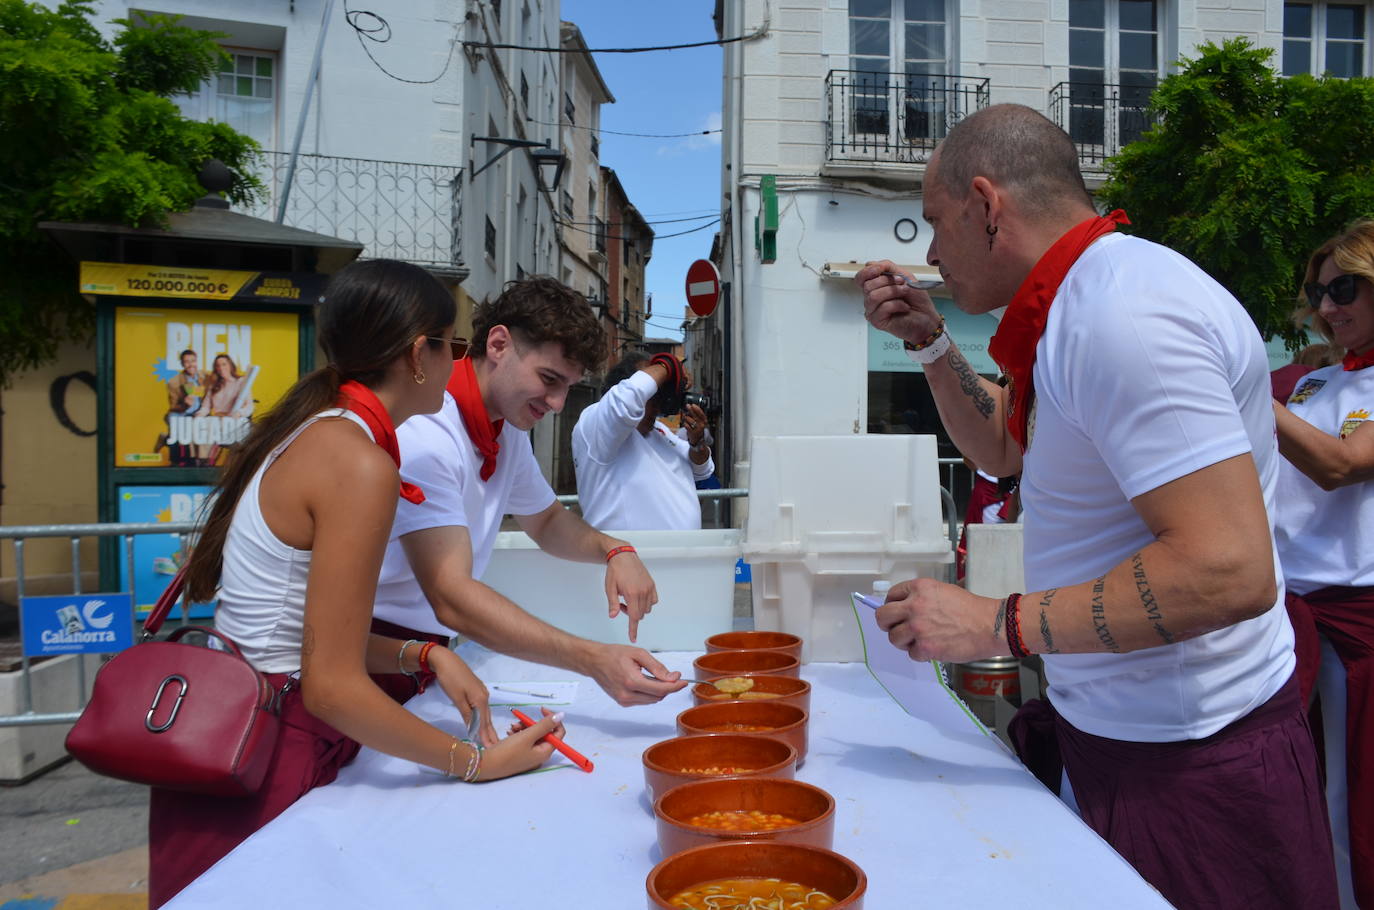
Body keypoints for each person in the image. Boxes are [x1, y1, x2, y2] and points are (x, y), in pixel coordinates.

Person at [855, 103, 1336, 909]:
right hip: (1134, 744)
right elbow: (1004, 451)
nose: (931, 252)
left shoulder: (1125, 317)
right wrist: (932, 344)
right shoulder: (1081, 303)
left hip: (1191, 764)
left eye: (935, 222)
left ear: (986, 204)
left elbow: (1228, 570)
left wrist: (991, 622)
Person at [150, 261, 564, 907]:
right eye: (451, 344)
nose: (460, 359)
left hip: (251, 726)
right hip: (271, 746)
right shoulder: (357, 459)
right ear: (415, 356)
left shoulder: (324, 430)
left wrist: (421, 652)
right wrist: (477, 762)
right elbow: (332, 685)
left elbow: (301, 628)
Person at [372, 278, 689, 718]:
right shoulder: (428, 433)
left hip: (425, 655)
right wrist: (592, 658)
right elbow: (450, 595)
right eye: (549, 379)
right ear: (498, 344)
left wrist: (615, 549)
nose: (558, 403)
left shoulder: (506, 428)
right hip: (376, 653)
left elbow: (547, 521)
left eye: (567, 386)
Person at [1272, 219, 1374, 909]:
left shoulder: (1296, 388)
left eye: (1346, 288)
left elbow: (1340, 466)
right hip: (1286, 614)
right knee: (1296, 793)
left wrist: (1245, 393)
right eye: (1318, 290)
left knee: (1350, 804)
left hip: (1356, 624)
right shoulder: (1313, 380)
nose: (1329, 305)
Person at [572, 351, 714, 530]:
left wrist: (697, 442)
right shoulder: (595, 422)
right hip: (629, 554)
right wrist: (669, 366)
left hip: (678, 553)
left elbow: (702, 470)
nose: (657, 404)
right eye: (652, 394)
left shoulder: (659, 429)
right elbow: (626, 400)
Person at [161, 349, 207, 466]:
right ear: (182, 364)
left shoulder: (205, 376)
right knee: (177, 428)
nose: (191, 364)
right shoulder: (174, 382)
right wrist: (185, 405)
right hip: (182, 413)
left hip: (200, 413)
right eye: (187, 362)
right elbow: (173, 406)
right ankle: (175, 461)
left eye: (193, 361)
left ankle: (202, 461)